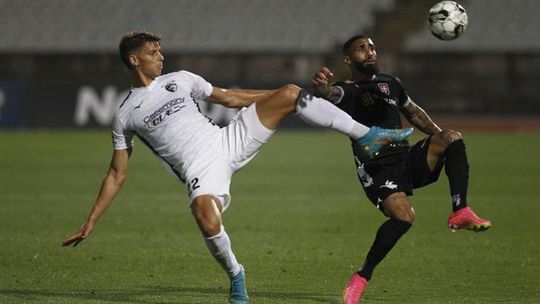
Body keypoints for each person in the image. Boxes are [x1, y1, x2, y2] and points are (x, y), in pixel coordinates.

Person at [61, 31, 413, 304]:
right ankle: (236, 275)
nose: (161, 56)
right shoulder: (125, 113)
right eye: (153, 53)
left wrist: (278, 96)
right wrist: (91, 220)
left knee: (291, 92)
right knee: (204, 214)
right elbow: (116, 173)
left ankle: (367, 135)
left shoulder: (182, 78)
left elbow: (229, 97)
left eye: (160, 50)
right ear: (134, 60)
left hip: (227, 140)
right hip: (201, 169)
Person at [311, 34, 492, 304]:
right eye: (361, 49)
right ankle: (360, 278)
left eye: (372, 47)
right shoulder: (348, 90)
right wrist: (323, 88)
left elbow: (415, 114)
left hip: (406, 158)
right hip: (377, 169)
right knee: (404, 217)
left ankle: (460, 211)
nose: (369, 52)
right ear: (348, 60)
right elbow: (331, 94)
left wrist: (441, 140)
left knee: (452, 137)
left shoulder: (391, 83)